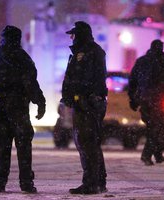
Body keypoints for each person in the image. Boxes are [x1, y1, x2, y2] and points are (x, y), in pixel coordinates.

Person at [0, 25, 46, 193]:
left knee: (3, 148)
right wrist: (40, 102)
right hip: (19, 109)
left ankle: (0, 182)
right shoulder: (22, 57)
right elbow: (30, 83)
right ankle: (26, 182)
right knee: (23, 147)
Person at [61, 21, 108, 194]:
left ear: (80, 35)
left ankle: (91, 183)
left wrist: (79, 95)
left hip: (87, 103)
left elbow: (85, 79)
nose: (72, 38)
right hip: (84, 102)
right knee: (91, 143)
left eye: (74, 35)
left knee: (86, 143)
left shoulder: (89, 52)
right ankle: (98, 181)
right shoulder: (86, 51)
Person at [128, 39, 164, 166]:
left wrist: (133, 99)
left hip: (146, 101)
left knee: (154, 127)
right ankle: (148, 154)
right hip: (159, 100)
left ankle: (157, 153)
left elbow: (132, 82)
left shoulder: (142, 62)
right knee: (158, 127)